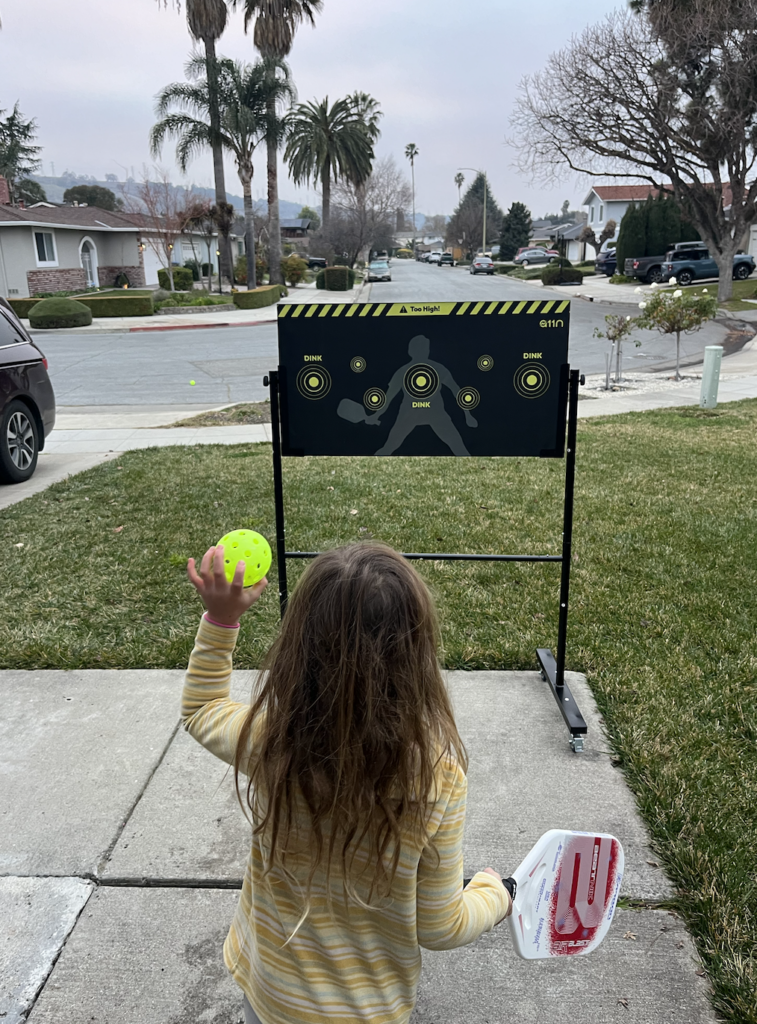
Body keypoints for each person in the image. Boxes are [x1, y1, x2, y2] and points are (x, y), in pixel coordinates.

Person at [184, 541, 512, 1024]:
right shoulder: (437, 778)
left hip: (271, 998)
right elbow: (442, 927)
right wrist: (497, 893)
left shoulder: (273, 743)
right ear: (417, 653)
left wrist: (221, 619)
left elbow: (201, 709)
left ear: (297, 645)